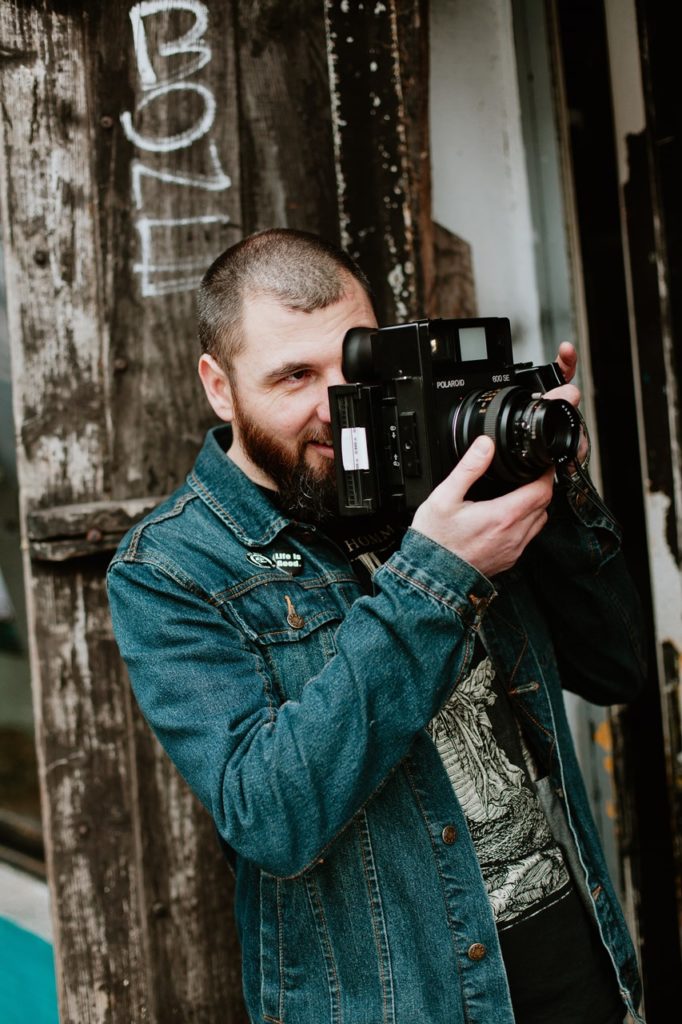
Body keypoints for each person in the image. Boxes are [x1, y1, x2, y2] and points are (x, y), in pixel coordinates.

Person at [106, 228, 647, 1024]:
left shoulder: (444, 471)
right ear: (218, 386)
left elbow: (618, 669)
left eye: (356, 365)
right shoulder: (171, 568)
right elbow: (272, 815)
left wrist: (553, 489)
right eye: (295, 376)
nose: (339, 408)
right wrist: (437, 576)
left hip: (578, 966)